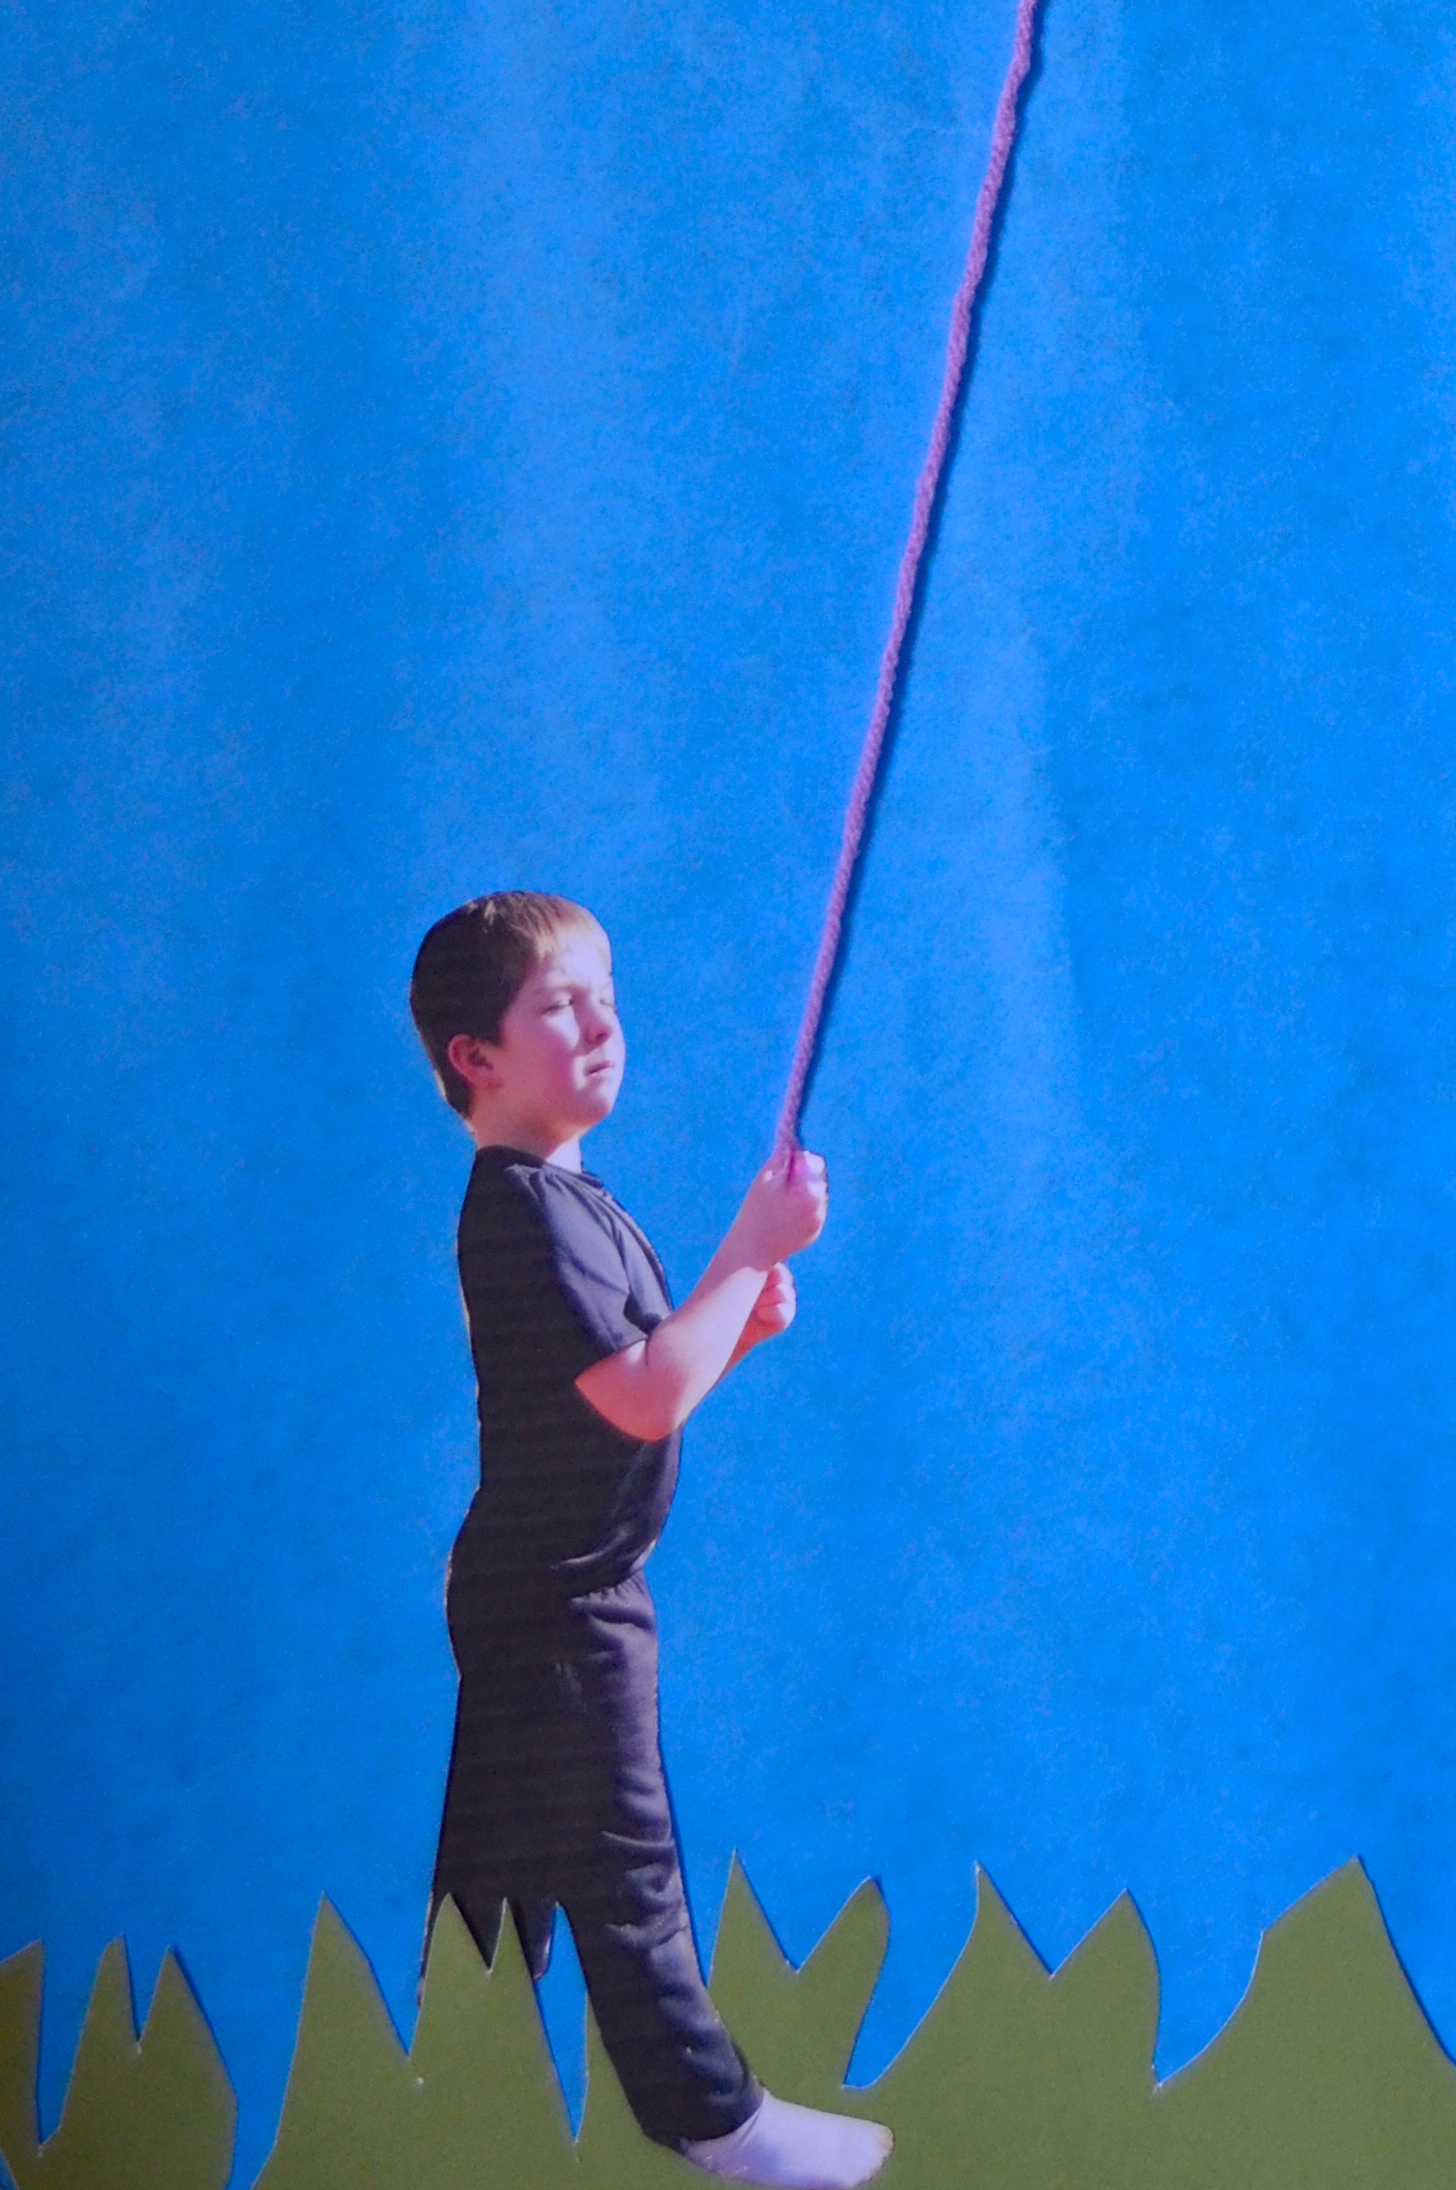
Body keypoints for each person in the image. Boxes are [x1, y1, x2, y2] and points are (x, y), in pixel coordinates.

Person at [408, 892, 891, 2189]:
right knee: (623, 1867)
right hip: (565, 1599)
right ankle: (715, 2119)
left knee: (503, 1866)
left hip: (536, 1586)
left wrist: (737, 1324)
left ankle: (446, 2091)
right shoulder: (523, 1210)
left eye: (605, 998)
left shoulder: (567, 1199)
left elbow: (645, 1380)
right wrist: (747, 1250)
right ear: (476, 1055)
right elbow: (642, 1398)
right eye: (560, 1006)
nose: (601, 1025)